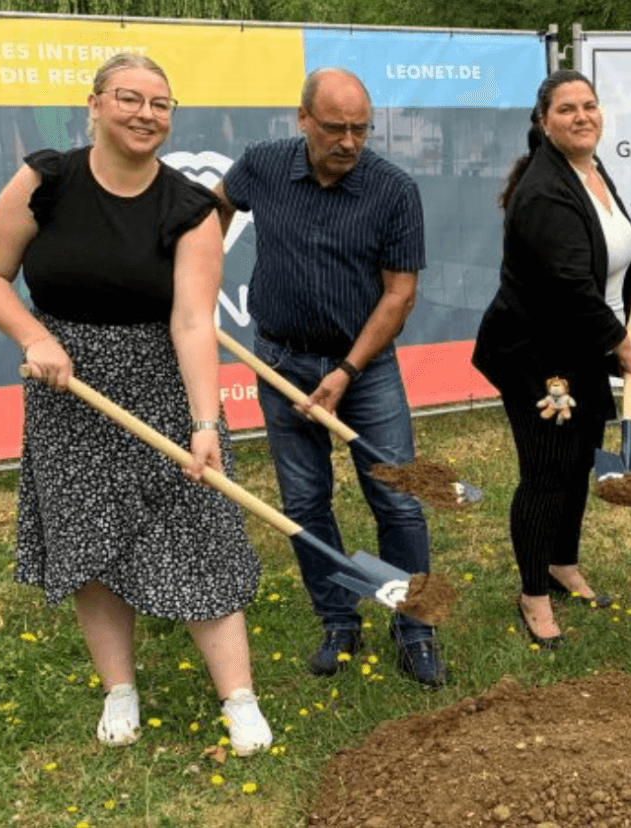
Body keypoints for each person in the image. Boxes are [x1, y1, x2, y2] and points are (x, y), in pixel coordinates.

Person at [0, 54, 271, 754]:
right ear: (95, 104)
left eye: (160, 104)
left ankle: (240, 697)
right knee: (90, 543)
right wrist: (35, 337)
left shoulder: (190, 209)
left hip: (162, 387)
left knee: (202, 535)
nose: (145, 114)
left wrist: (203, 423)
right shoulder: (47, 180)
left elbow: (193, 322)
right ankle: (120, 689)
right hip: (66, 388)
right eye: (129, 99)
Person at [213, 68, 444, 687]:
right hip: (280, 362)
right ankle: (339, 621)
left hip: (363, 369)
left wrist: (346, 371)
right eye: (335, 128)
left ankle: (414, 626)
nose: (348, 141)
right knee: (305, 502)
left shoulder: (394, 190)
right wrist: (189, 278)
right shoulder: (262, 165)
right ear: (303, 119)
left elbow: (399, 297)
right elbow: (211, 215)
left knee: (397, 498)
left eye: (360, 129)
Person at [473, 69, 631, 650]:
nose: (582, 116)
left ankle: (561, 562)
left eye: (590, 105)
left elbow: (599, 250)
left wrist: (627, 286)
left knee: (578, 463)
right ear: (544, 122)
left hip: (580, 346)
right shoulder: (545, 189)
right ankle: (533, 593)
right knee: (547, 471)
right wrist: (621, 343)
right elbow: (569, 285)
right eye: (567, 109)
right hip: (536, 355)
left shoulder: (590, 170)